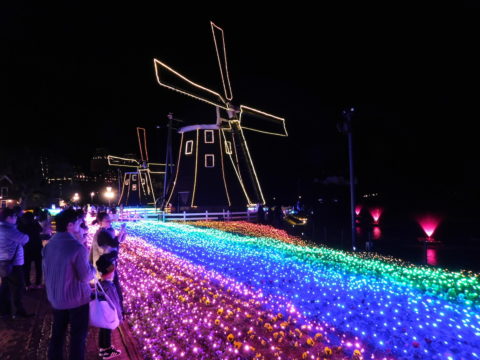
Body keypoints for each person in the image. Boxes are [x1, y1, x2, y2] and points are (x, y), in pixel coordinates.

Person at [42, 208, 96, 360]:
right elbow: (86, 277)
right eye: (78, 223)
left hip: (56, 298)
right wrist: (93, 267)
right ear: (70, 226)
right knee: (77, 338)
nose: (80, 226)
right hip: (76, 300)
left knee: (57, 334)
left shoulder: (49, 245)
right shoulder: (76, 248)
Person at [90, 212, 126, 313]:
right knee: (111, 284)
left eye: (109, 218)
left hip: (110, 261)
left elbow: (118, 241)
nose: (109, 220)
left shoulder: (109, 230)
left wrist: (123, 233)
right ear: (100, 222)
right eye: (106, 219)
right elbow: (114, 243)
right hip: (105, 264)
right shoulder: (102, 233)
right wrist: (122, 231)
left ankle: (115, 307)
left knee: (112, 284)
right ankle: (115, 309)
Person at [0, 207, 31, 318]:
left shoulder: (3, 228)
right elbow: (25, 238)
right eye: (14, 216)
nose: (16, 219)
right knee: (18, 287)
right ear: (8, 218)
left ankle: (5, 312)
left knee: (5, 287)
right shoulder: (9, 230)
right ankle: (18, 311)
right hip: (13, 264)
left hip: (4, 262)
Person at [95, 252, 123, 359]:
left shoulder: (99, 283)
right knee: (107, 331)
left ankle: (103, 348)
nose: (113, 273)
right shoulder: (110, 286)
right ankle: (106, 350)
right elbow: (115, 303)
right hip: (109, 314)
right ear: (109, 272)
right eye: (112, 271)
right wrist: (120, 316)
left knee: (103, 330)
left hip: (102, 314)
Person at [18, 212, 43, 289]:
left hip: (26, 249)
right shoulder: (35, 224)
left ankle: (27, 284)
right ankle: (38, 283)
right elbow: (41, 229)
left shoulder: (21, 226)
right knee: (38, 267)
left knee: (26, 268)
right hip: (37, 248)